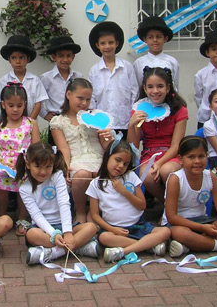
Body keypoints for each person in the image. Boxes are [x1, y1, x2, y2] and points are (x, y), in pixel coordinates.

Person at [86, 137, 170, 263]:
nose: (121, 166)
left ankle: (124, 251)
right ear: (108, 157)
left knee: (166, 231)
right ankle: (148, 246)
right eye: (118, 160)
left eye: (125, 164)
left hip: (138, 225)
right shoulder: (96, 184)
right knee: (104, 237)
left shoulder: (130, 176)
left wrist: (124, 191)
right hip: (115, 229)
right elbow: (95, 215)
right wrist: (112, 229)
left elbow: (142, 205)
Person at [15, 143, 99, 265]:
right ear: (28, 164)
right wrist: (53, 234)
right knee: (31, 235)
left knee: (91, 227)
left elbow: (64, 203)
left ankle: (53, 253)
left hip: (65, 225)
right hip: (43, 230)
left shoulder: (57, 176)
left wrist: (68, 232)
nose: (43, 172)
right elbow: (36, 215)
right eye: (37, 166)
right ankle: (78, 247)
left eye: (48, 166)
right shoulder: (24, 189)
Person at [50, 78, 112, 223]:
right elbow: (63, 148)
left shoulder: (95, 117)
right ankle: (80, 212)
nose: (84, 103)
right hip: (76, 159)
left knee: (101, 173)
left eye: (88, 99)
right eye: (80, 98)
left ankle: (96, 212)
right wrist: (65, 167)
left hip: (98, 157)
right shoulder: (58, 121)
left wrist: (107, 137)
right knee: (82, 175)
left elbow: (105, 145)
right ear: (68, 94)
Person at [0, 82, 41, 236]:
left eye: (19, 105)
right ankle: (2, 218)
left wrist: (27, 162)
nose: (15, 109)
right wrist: (2, 163)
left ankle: (22, 219)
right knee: (0, 177)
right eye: (11, 105)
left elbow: (36, 148)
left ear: (25, 104)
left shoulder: (31, 123)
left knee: (25, 180)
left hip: (26, 162)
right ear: (3, 105)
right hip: (4, 164)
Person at [128, 67, 188, 200]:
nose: (155, 91)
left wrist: (160, 163)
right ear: (145, 88)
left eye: (160, 86)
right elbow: (133, 147)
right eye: (150, 87)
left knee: (167, 171)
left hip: (172, 154)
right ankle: (168, 204)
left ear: (168, 88)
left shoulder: (180, 109)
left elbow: (176, 145)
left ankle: (177, 205)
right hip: (149, 155)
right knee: (148, 177)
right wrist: (131, 125)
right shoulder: (139, 110)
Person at [88, 21, 138, 138]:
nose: (107, 46)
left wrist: (133, 117)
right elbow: (92, 98)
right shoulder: (94, 71)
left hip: (125, 122)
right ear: (97, 45)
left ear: (117, 43)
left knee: (126, 149)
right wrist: (96, 121)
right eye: (103, 43)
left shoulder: (127, 67)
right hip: (103, 125)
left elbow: (134, 93)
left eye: (111, 42)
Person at [40, 36, 83, 139]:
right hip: (56, 119)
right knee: (56, 147)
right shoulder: (46, 78)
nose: (65, 59)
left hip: (74, 119)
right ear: (53, 57)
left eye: (68, 56)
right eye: (61, 56)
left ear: (73, 57)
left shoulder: (78, 76)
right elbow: (38, 99)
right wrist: (44, 114)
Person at [0, 35, 48, 120]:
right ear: (9, 60)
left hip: (30, 122)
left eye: (22, 58)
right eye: (14, 58)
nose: (18, 61)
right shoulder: (4, 80)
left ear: (28, 59)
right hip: (10, 123)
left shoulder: (35, 80)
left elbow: (38, 104)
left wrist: (29, 122)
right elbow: (2, 103)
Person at [133, 16, 179, 89]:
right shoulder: (138, 63)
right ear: (145, 39)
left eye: (158, 37)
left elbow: (175, 87)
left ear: (165, 38)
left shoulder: (172, 62)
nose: (155, 40)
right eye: (150, 37)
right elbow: (137, 87)